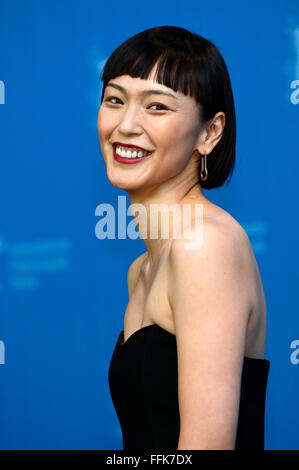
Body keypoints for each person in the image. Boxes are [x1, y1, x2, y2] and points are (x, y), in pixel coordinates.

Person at [97, 25, 270, 450]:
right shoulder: (142, 269)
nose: (126, 125)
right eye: (115, 100)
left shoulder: (205, 246)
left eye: (157, 107)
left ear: (209, 133)